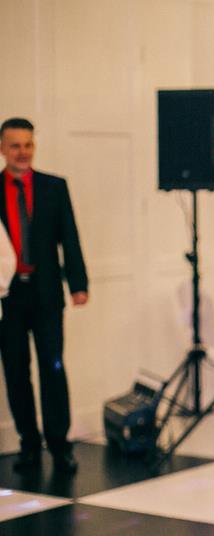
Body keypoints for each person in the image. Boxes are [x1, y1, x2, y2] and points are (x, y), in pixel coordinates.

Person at [0, 117, 88, 474]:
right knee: (15, 370)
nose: (23, 152)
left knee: (53, 367)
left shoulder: (54, 186)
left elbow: (70, 236)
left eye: (29, 145)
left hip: (46, 292)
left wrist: (78, 283)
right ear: (3, 149)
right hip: (8, 296)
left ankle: (60, 444)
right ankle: (29, 444)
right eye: (16, 146)